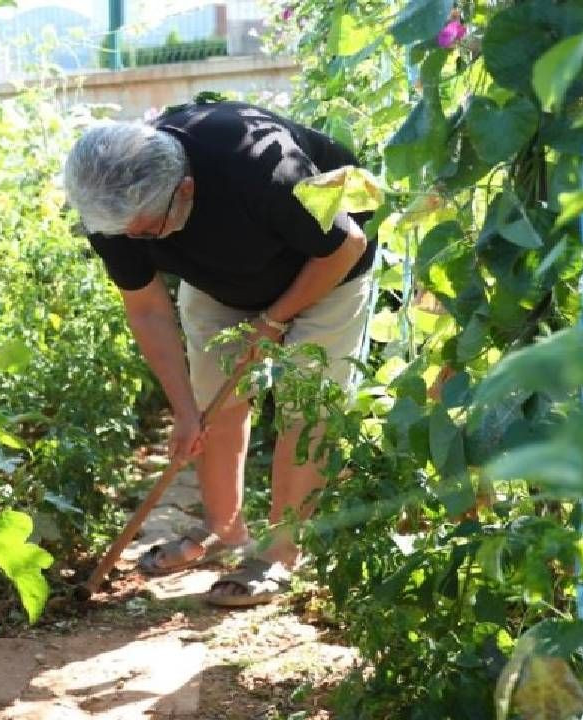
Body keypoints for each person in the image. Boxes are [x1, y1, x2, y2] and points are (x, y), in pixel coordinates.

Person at [63, 99, 377, 607]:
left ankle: (279, 553)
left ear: (184, 189)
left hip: (327, 268)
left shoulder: (260, 164)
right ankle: (223, 530)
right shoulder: (116, 204)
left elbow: (346, 244)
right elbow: (146, 308)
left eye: (147, 231)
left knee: (306, 406)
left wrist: (275, 321)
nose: (136, 243)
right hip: (220, 280)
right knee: (215, 400)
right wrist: (185, 411)